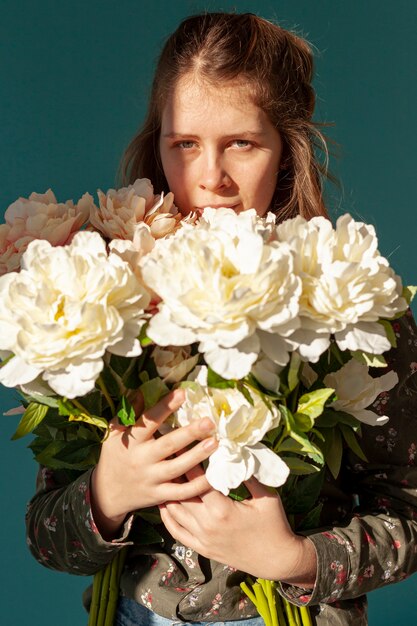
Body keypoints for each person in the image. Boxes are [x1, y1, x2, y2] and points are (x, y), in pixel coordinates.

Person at [25, 12, 417, 626]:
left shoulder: (351, 300)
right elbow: (47, 536)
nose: (212, 179)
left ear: (287, 151)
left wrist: (294, 558)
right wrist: (107, 496)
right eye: (184, 144)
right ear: (155, 145)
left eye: (242, 143)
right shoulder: (106, 297)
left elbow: (409, 515)